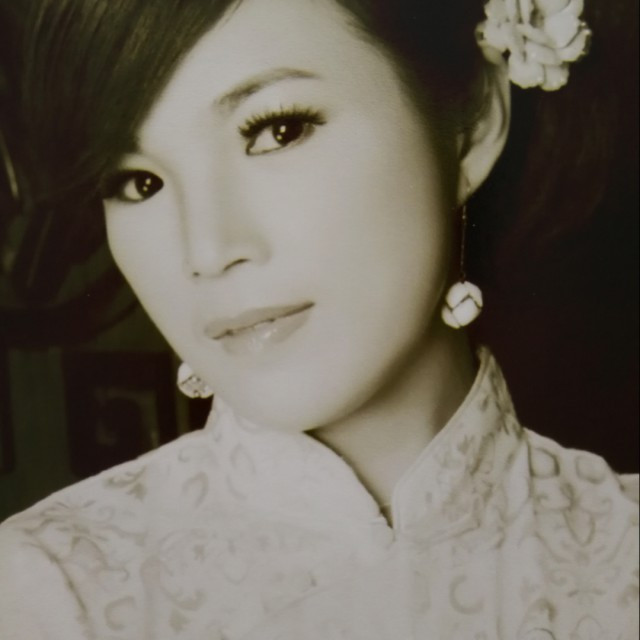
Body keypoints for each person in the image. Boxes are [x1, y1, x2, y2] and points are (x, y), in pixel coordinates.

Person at [0, 0, 637, 638]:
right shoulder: (44, 592)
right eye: (138, 182)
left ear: (472, 124)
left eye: (277, 130)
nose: (208, 251)